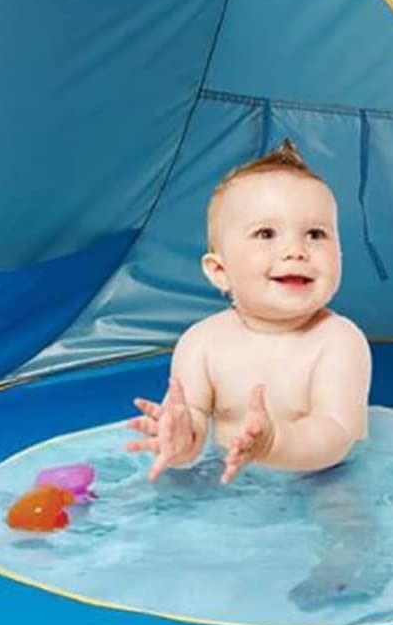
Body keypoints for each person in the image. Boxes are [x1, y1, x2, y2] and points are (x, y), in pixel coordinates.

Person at [125, 139, 371, 486]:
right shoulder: (201, 343)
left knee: (342, 511)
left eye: (316, 234)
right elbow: (191, 421)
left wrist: (274, 443)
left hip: (323, 480)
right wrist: (180, 443)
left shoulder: (339, 341)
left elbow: (336, 434)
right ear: (219, 271)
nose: (295, 250)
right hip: (228, 475)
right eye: (266, 233)